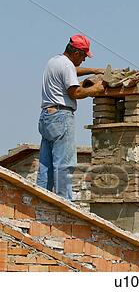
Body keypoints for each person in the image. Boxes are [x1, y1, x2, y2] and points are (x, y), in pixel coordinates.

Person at [37, 34, 105, 200]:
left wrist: (94, 71)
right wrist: (95, 90)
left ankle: (38, 203)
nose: (83, 61)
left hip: (46, 117)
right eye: (83, 56)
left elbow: (72, 71)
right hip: (61, 117)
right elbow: (75, 92)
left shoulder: (54, 61)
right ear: (76, 53)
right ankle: (65, 208)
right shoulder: (67, 65)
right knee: (64, 166)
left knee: (45, 166)